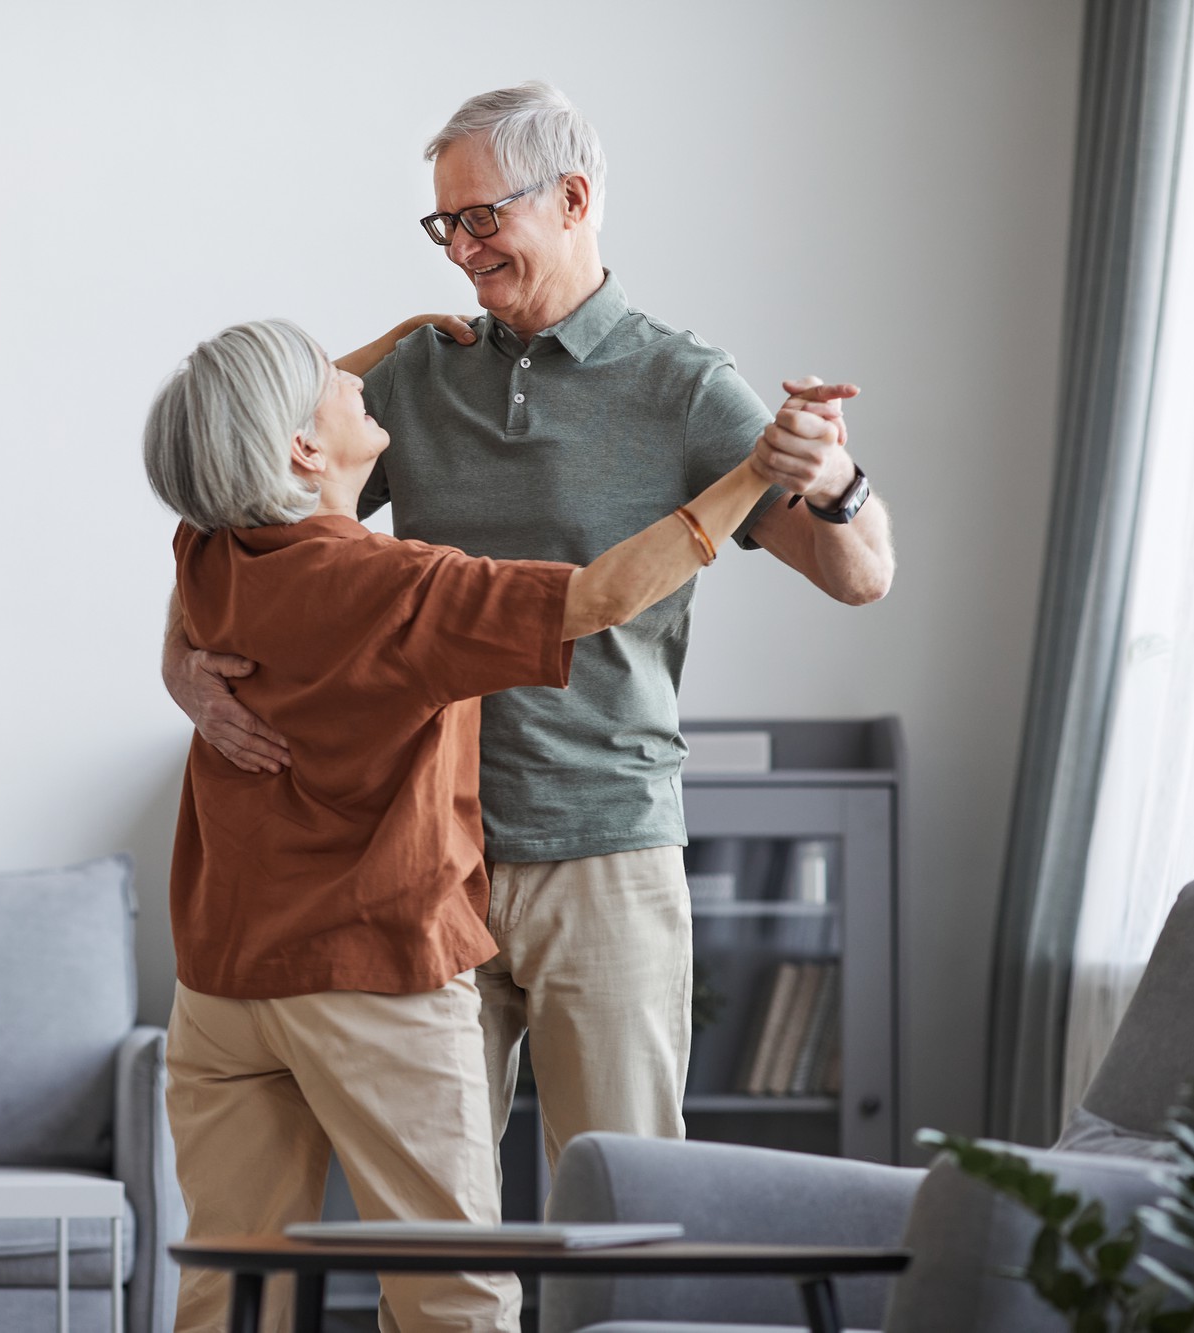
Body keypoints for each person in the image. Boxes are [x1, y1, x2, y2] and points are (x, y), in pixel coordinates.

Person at [162, 83, 896, 1182]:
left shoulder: (682, 387)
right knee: (436, 1222)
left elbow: (861, 575)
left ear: (571, 197)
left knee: (623, 1192)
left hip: (604, 846)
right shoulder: (415, 377)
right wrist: (182, 669)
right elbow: (235, 499)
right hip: (423, 864)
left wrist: (832, 477)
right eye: (442, 223)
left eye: (479, 217)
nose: (457, 249)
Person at [143, 317, 832, 1333]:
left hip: (219, 984)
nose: (353, 375)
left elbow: (258, 429)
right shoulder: (402, 590)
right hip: (365, 974)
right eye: (326, 379)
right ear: (296, 445)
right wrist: (745, 478)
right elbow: (601, 595)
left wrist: (409, 332)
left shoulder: (208, 551)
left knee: (231, 1293)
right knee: (452, 1295)